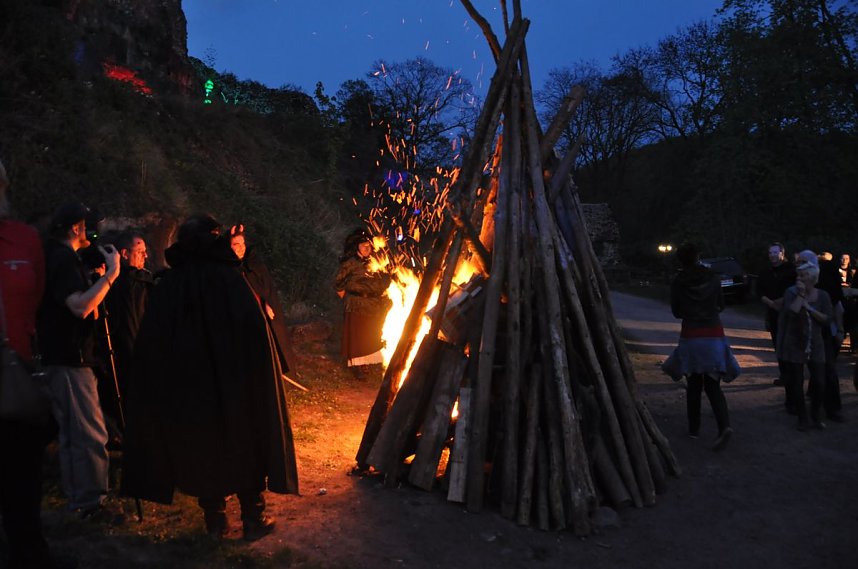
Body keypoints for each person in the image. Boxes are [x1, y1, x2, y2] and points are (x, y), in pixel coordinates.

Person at [121, 215, 298, 541]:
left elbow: (153, 343)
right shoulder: (230, 281)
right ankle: (251, 518)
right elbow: (254, 337)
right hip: (233, 387)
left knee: (202, 449)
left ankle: (215, 523)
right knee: (243, 445)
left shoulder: (171, 286)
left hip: (191, 391)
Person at [0, 161, 73, 569]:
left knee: (22, 484)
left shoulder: (25, 240)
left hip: (17, 377)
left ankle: (29, 553)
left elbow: (36, 301)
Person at [37, 200, 118, 517]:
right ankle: (91, 503)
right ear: (75, 227)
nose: (92, 232)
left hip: (61, 355)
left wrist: (94, 279)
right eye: (87, 226)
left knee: (74, 432)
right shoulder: (62, 260)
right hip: (70, 357)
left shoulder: (58, 258)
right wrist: (111, 275)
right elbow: (81, 307)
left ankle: (79, 501)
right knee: (89, 433)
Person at [662, 242, 738, 451]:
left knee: (694, 384)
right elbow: (721, 305)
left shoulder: (678, 281)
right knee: (713, 385)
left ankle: (694, 429)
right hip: (713, 334)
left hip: (691, 335)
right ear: (698, 257)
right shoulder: (713, 278)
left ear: (680, 260)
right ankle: (724, 427)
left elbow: (676, 311)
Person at [100, 230, 154, 441]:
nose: (145, 256)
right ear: (124, 253)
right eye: (140, 251)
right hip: (127, 356)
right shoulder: (128, 284)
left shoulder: (143, 282)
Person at [228, 224, 296, 374]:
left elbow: (265, 289)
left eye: (243, 243)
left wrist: (267, 303)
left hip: (259, 313)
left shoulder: (254, 263)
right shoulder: (228, 268)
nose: (240, 248)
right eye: (235, 244)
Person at [776, 254, 834, 430]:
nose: (799, 278)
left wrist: (809, 308)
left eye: (803, 276)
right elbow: (791, 312)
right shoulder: (791, 292)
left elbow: (827, 319)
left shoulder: (823, 296)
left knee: (820, 382)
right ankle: (803, 418)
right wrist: (801, 295)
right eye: (798, 275)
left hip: (815, 343)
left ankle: (816, 415)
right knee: (796, 382)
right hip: (794, 342)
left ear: (812, 278)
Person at [334, 229, 391, 380]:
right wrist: (347, 297)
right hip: (356, 304)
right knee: (357, 336)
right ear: (357, 247)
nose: (367, 248)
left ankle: (368, 364)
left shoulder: (376, 262)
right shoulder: (350, 263)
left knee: (369, 335)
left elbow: (385, 279)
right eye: (364, 245)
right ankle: (358, 366)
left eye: (369, 246)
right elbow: (338, 282)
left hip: (373, 305)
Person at [757, 242, 796, 387]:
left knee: (790, 343)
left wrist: (781, 302)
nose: (772, 255)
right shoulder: (765, 272)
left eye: (775, 252)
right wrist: (771, 303)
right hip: (773, 312)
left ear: (782, 253)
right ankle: (784, 375)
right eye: (770, 253)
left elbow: (795, 289)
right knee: (778, 344)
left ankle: (794, 374)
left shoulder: (791, 270)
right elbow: (759, 291)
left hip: (789, 311)